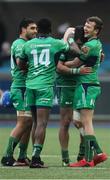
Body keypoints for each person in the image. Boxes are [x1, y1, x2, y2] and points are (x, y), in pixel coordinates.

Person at [17, 18, 87, 168]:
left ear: (39, 30)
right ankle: (36, 158)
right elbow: (77, 52)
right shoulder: (56, 43)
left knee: (35, 122)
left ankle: (33, 155)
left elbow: (20, 64)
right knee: (42, 123)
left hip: (30, 86)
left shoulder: (28, 44)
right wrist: (69, 38)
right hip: (45, 86)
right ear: (50, 29)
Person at [58, 16, 107, 167]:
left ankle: (90, 158)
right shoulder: (96, 44)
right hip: (85, 85)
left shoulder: (90, 45)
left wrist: (63, 61)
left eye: (89, 26)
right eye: (86, 25)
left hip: (87, 84)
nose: (86, 28)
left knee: (86, 122)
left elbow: (76, 61)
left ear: (96, 31)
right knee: (78, 121)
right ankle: (97, 153)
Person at [1, 18, 37, 166]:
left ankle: (22, 156)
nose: (35, 31)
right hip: (20, 87)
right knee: (24, 121)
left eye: (36, 28)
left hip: (26, 87)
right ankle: (7, 155)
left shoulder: (26, 44)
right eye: (32, 28)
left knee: (29, 123)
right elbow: (20, 64)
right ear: (23, 29)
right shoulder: (19, 44)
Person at [56, 26, 91, 166]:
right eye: (79, 42)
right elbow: (59, 67)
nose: (82, 44)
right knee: (65, 122)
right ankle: (65, 157)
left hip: (81, 85)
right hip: (65, 85)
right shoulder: (65, 47)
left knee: (82, 121)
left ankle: (82, 153)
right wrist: (76, 70)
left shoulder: (88, 46)